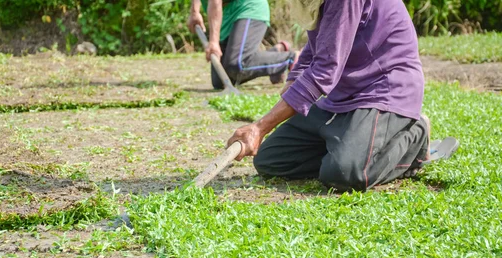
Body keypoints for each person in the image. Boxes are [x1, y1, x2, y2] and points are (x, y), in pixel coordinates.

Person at [226, 0, 459, 191]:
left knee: (343, 173)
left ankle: (416, 134)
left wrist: (259, 127)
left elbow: (324, 70)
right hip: (343, 96)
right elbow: (318, 43)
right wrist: (294, 77)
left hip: (383, 91)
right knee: (271, 160)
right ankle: (350, 147)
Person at [187, 0, 298, 88]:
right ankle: (276, 53)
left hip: (248, 7)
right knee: (220, 81)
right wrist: (194, 12)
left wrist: (214, 42)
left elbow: (215, 2)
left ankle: (292, 58)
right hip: (226, 14)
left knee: (238, 65)